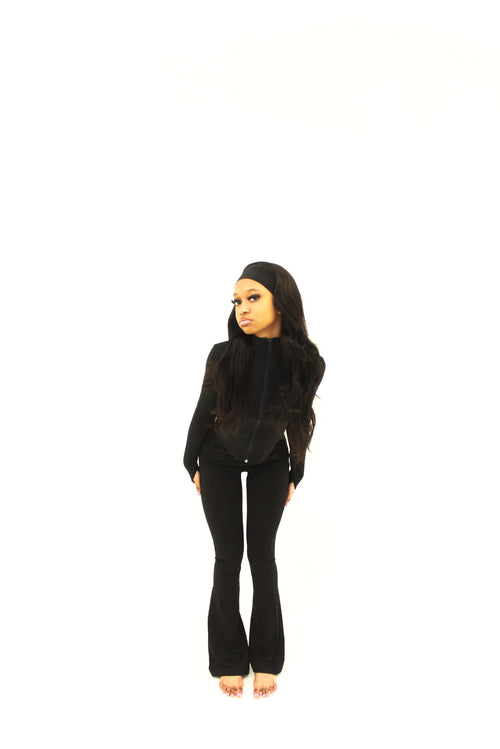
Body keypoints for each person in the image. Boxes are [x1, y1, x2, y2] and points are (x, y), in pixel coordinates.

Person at [183, 261, 325, 699]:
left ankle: (266, 658)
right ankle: (228, 658)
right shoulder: (223, 355)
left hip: (270, 461)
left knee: (262, 557)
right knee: (228, 557)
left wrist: (295, 471)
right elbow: (204, 413)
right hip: (219, 458)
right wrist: (191, 463)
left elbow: (299, 419)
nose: (242, 308)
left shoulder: (308, 362)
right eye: (236, 301)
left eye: (253, 297)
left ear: (281, 302)